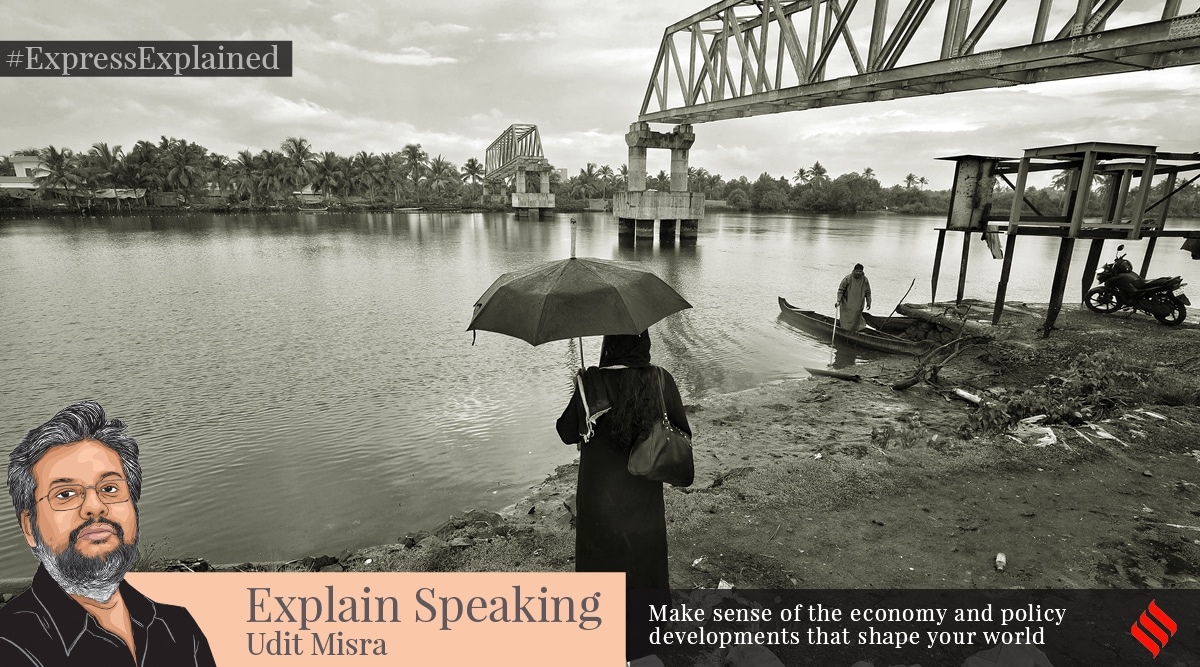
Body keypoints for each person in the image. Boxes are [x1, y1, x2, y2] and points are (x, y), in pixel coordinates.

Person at [0, 400, 216, 666]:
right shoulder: (10, 645)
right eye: (65, 494)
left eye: (110, 488)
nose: (94, 506)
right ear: (29, 527)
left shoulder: (179, 629)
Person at [556, 331, 691, 663]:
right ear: (643, 344)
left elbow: (566, 432)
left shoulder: (592, 382)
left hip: (599, 500)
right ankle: (645, 644)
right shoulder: (660, 379)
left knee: (600, 566)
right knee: (644, 563)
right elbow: (681, 429)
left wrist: (585, 392)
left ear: (609, 345)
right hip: (642, 497)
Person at [836, 263, 873, 331]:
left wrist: (869, 303)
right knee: (846, 320)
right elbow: (841, 290)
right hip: (847, 304)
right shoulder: (848, 278)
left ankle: (853, 331)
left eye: (860, 271)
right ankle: (844, 330)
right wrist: (838, 300)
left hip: (858, 305)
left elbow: (868, 292)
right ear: (854, 270)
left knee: (855, 320)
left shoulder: (865, 280)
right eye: (857, 271)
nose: (858, 273)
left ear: (862, 271)